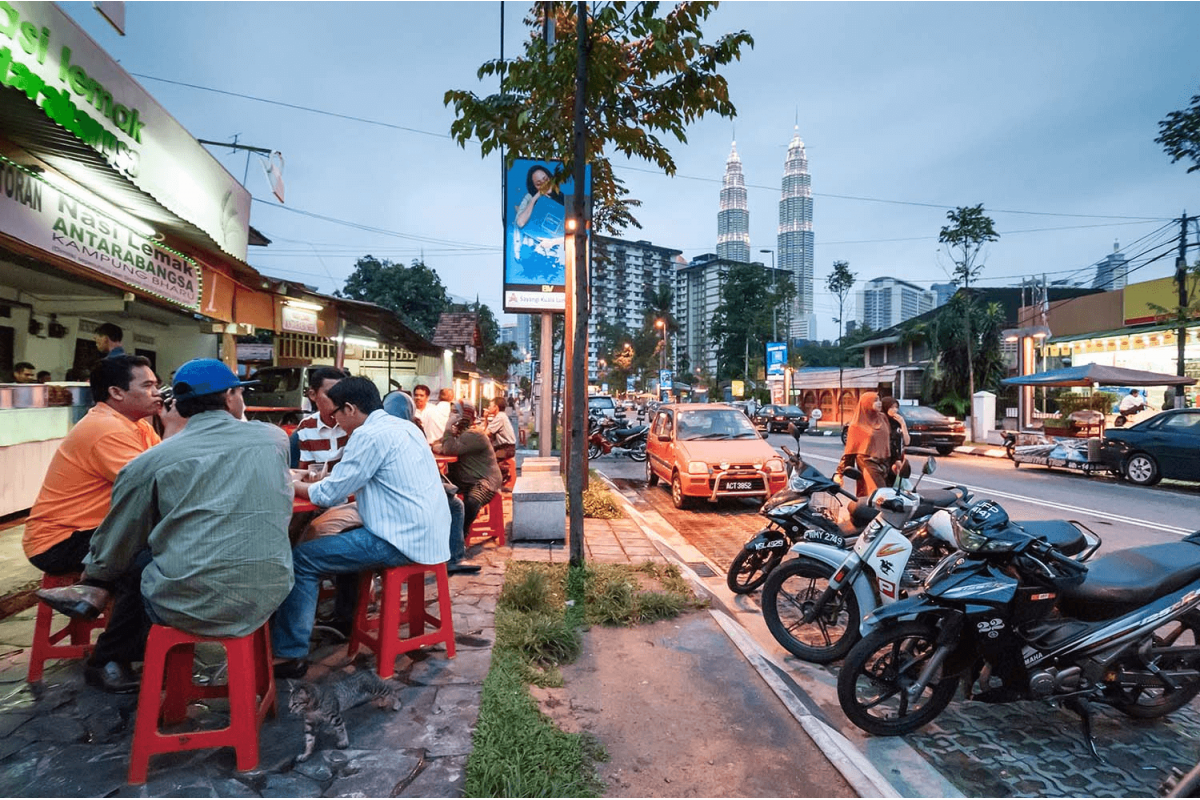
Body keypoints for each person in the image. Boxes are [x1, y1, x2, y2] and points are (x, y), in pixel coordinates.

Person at [36, 358, 293, 694]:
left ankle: (98, 596)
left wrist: (98, 573)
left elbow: (128, 523)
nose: (155, 394)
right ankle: (108, 613)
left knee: (137, 553)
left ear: (180, 404)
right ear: (231, 397)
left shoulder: (147, 458)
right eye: (148, 386)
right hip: (274, 589)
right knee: (147, 552)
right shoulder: (275, 438)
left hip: (185, 600)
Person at [278, 377, 452, 678]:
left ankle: (289, 653)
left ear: (350, 408)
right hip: (430, 534)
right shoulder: (404, 426)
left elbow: (328, 494)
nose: (334, 422)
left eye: (335, 415)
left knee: (303, 558)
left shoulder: (367, 435)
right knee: (343, 537)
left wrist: (293, 484)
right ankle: (344, 620)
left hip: (399, 541)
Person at [24, 356, 165, 575]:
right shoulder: (107, 428)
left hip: (92, 529)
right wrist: (176, 426)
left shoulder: (136, 425)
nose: (157, 392)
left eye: (156, 385)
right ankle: (100, 599)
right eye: (148, 386)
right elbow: (157, 487)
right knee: (162, 553)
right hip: (60, 541)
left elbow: (169, 468)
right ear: (116, 392)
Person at [384, 391, 478, 576]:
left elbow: (437, 447)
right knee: (455, 503)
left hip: (406, 493)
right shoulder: (408, 429)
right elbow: (440, 448)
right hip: (402, 500)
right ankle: (453, 556)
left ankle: (451, 554)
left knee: (454, 498)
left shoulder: (392, 430)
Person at [434, 403, 502, 532]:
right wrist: (442, 446)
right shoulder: (459, 433)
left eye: (455, 412)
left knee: (471, 502)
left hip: (483, 480)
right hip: (464, 477)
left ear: (463, 415)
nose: (451, 415)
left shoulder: (475, 434)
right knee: (437, 486)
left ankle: (460, 532)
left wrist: (448, 428)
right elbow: (438, 444)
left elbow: (448, 449)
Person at [834, 392, 892, 498]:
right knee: (881, 495)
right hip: (868, 463)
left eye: (879, 400)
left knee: (872, 495)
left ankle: (863, 513)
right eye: (875, 401)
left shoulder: (883, 418)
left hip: (885, 464)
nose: (879, 403)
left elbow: (891, 439)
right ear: (866, 403)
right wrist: (839, 473)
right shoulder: (857, 426)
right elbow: (849, 452)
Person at [295, 366, 349, 471]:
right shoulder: (306, 426)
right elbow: (306, 472)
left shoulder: (353, 423)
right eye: (331, 394)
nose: (338, 400)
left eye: (342, 394)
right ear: (312, 395)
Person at [881, 397, 912, 480]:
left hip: (898, 459)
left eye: (896, 407)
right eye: (891, 407)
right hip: (886, 460)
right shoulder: (881, 422)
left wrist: (903, 424)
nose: (894, 410)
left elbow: (907, 441)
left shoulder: (897, 422)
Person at [486, 395, 517, 463]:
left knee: (488, 460)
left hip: (506, 448)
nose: (488, 407)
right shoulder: (500, 416)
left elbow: (487, 433)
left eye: (490, 406)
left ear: (496, 407)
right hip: (503, 447)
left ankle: (502, 472)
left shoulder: (500, 417)